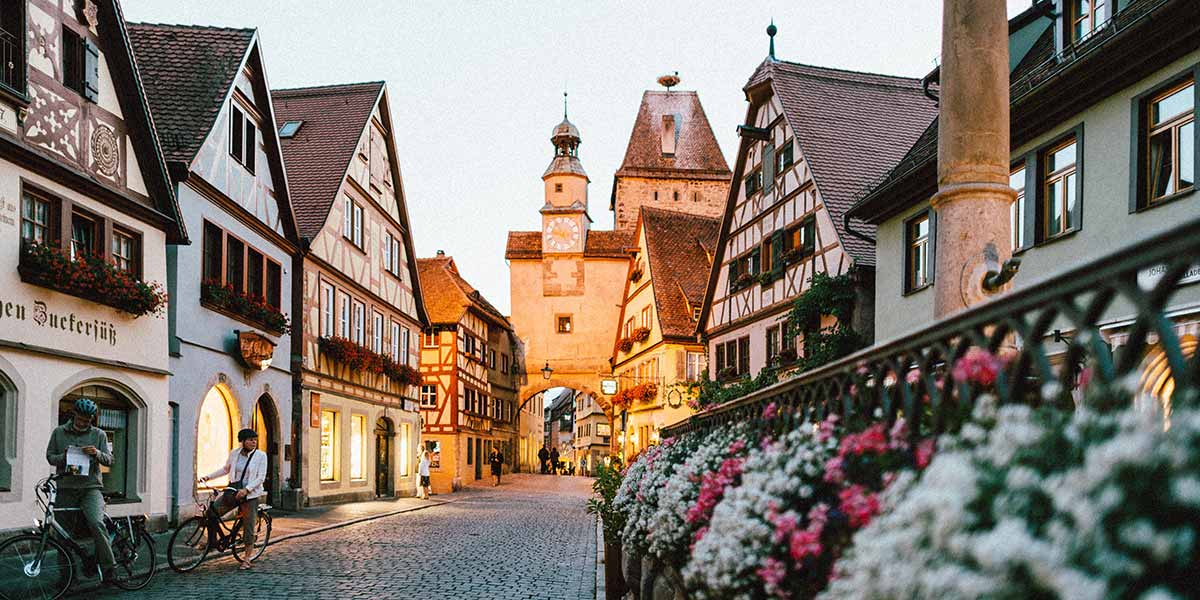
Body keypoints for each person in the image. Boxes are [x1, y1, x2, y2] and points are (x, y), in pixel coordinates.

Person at [46, 398, 115, 581]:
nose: (83, 423)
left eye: (87, 420)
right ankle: (67, 576)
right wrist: (65, 456)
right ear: (74, 414)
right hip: (66, 488)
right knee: (63, 533)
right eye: (80, 419)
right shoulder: (59, 432)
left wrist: (97, 453)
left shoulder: (98, 434)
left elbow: (110, 460)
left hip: (90, 488)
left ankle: (109, 568)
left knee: (96, 523)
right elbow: (50, 457)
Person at [200, 428, 266, 570]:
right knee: (211, 513)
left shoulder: (261, 456)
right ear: (242, 441)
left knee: (248, 526)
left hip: (250, 495)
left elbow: (260, 477)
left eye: (255, 439)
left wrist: (246, 490)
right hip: (233, 492)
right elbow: (226, 469)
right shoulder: (235, 454)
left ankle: (247, 558)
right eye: (250, 439)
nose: (253, 442)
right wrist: (208, 477)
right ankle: (212, 542)